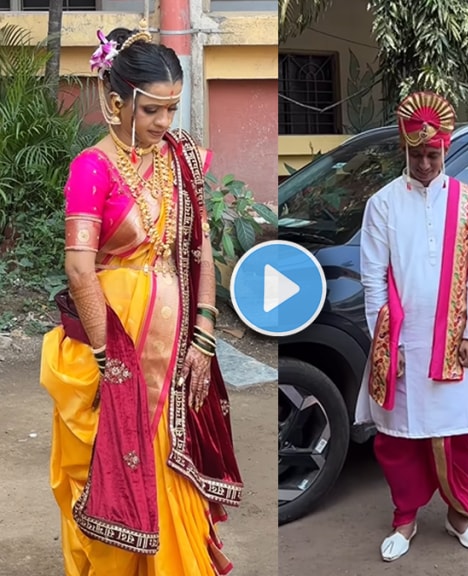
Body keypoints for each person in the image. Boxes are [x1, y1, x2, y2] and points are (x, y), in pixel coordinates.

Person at [39, 23, 243, 575]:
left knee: (171, 471)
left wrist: (203, 332)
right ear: (115, 101)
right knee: (110, 470)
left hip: (175, 343)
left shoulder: (180, 160)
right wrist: (110, 362)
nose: (164, 124)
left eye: (172, 110)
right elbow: (80, 268)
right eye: (152, 110)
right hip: (114, 345)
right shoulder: (92, 168)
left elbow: (199, 247)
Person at [354, 91, 468, 562]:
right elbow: (373, 278)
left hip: (458, 344)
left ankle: (460, 516)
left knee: (463, 435)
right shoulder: (383, 204)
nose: (426, 163)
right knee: (398, 439)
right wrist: (383, 346)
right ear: (404, 148)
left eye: (434, 154)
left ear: (447, 150)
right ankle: (405, 519)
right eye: (418, 155)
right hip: (404, 344)